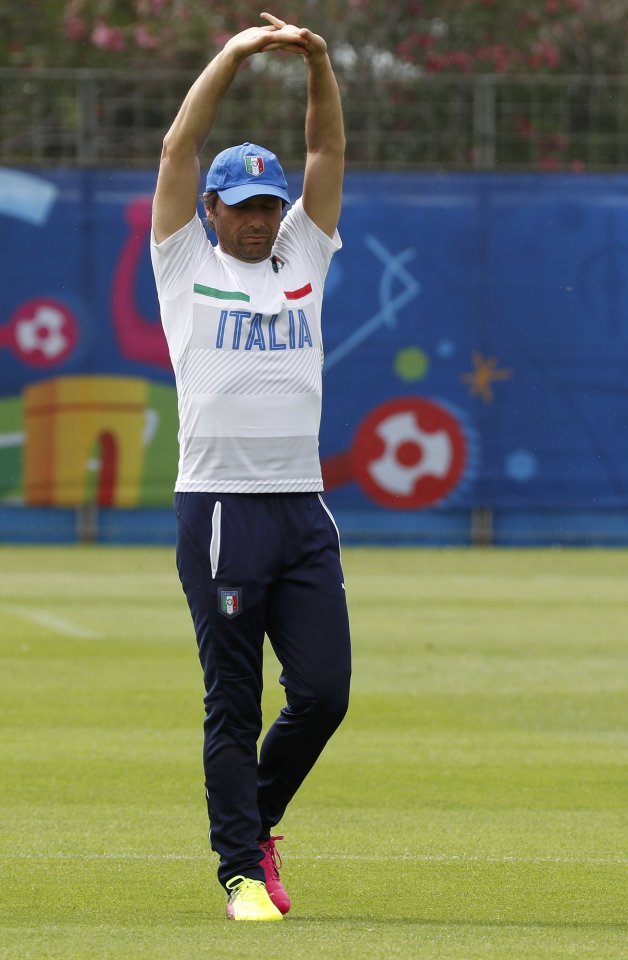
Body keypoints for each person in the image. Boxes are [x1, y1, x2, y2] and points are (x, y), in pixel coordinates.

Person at [150, 12, 351, 922]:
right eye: (245, 204)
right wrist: (232, 56)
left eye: (272, 205)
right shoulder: (182, 259)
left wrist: (317, 59)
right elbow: (178, 145)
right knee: (231, 697)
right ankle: (241, 871)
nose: (263, 218)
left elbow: (325, 146)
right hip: (222, 507)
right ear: (213, 210)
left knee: (323, 693)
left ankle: (255, 816)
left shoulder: (304, 251)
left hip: (301, 510)